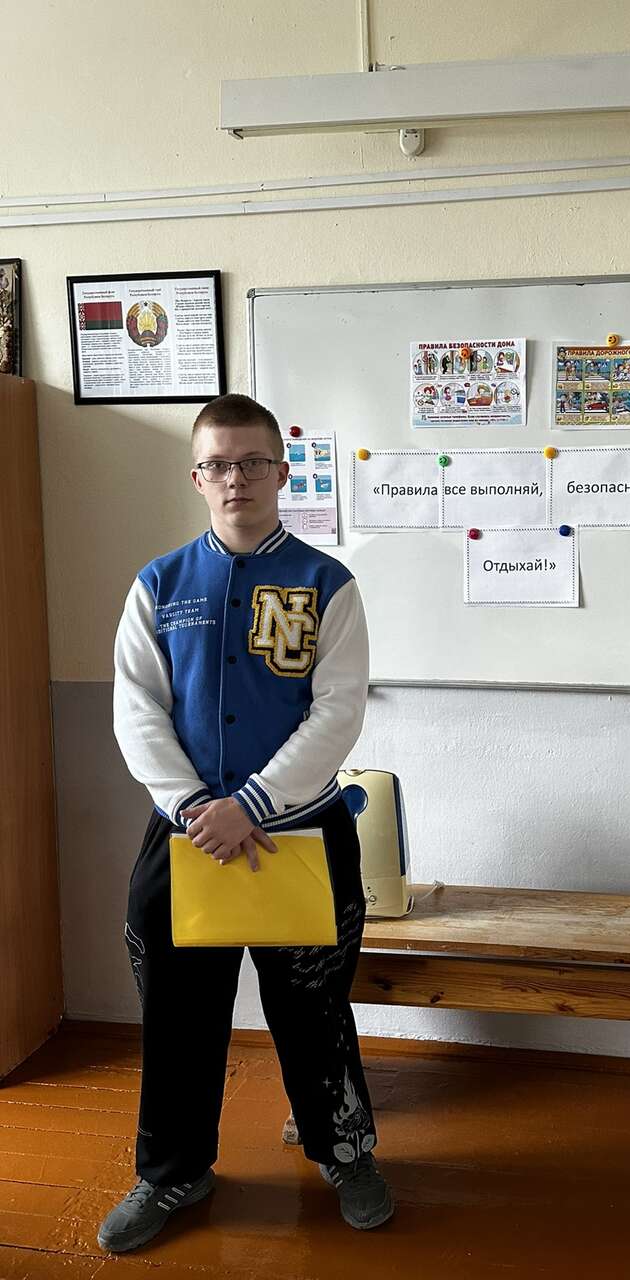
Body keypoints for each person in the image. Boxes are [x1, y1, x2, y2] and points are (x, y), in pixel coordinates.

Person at [98, 394, 393, 1254]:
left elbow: (338, 712)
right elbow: (136, 709)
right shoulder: (158, 585)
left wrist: (253, 804)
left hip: (299, 832)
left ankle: (346, 1154)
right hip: (186, 834)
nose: (238, 479)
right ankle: (173, 1172)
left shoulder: (327, 585)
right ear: (197, 477)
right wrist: (199, 807)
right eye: (219, 464)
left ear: (282, 471)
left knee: (313, 1007)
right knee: (178, 1015)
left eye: (254, 462)